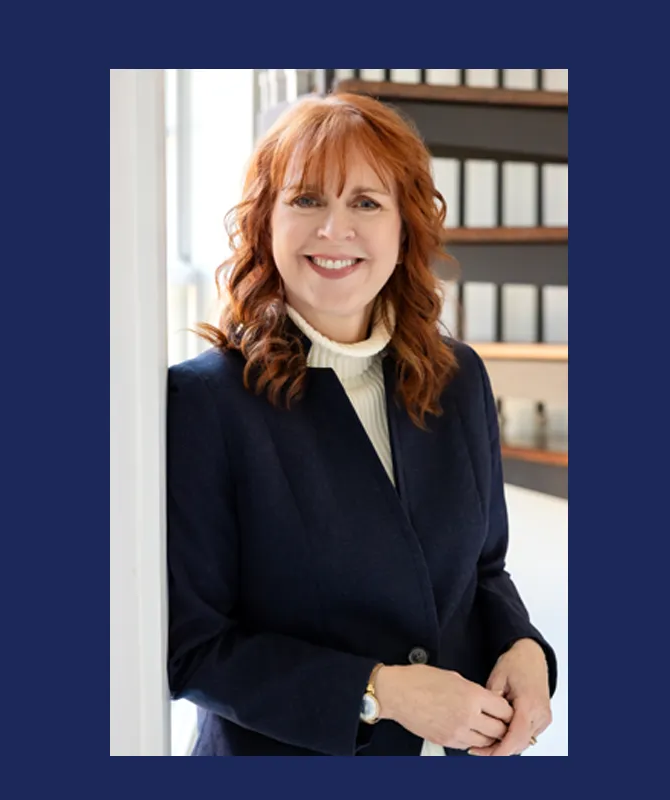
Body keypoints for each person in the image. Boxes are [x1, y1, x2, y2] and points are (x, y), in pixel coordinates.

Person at [165, 93, 558, 756]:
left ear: (405, 229)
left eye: (367, 203)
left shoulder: (458, 378)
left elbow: (485, 569)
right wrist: (381, 692)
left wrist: (524, 646)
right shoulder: (205, 401)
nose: (334, 229)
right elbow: (193, 647)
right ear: (264, 224)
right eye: (307, 200)